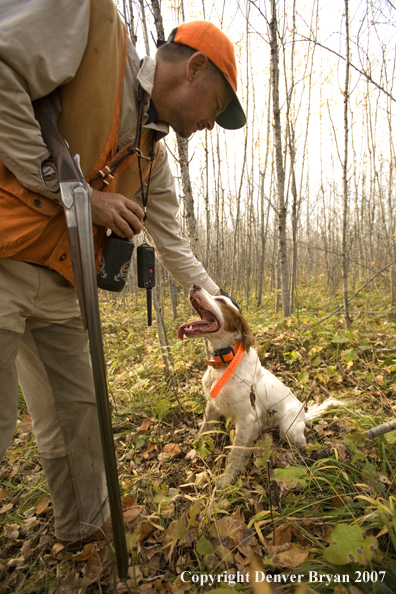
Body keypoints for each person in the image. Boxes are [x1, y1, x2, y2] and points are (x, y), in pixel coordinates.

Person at [0, 0, 246, 549]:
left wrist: (224, 307)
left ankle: (84, 537)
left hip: (64, 285)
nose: (210, 124)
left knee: (79, 415)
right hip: (4, 256)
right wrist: (81, 197)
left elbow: (175, 247)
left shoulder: (152, 156)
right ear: (195, 69)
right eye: (217, 108)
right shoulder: (91, 21)